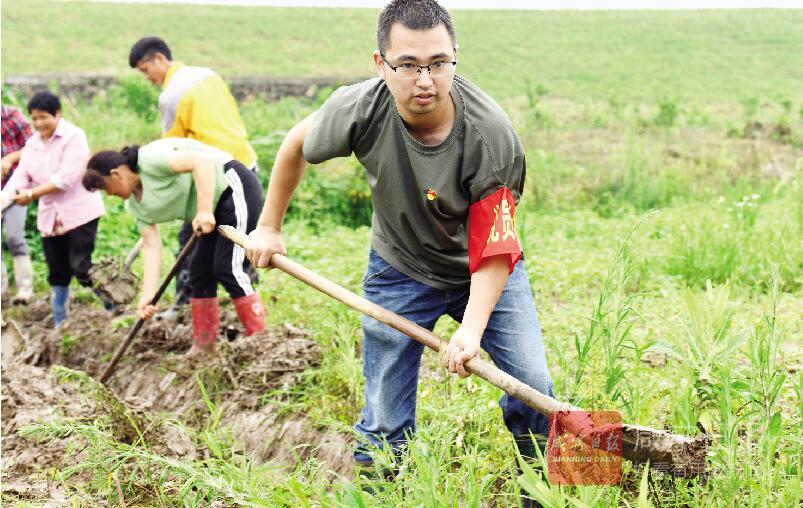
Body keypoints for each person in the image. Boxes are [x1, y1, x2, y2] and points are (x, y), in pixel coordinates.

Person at [242, 0, 554, 500]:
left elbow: (495, 249)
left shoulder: (491, 137)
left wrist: (471, 330)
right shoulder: (360, 108)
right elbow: (296, 144)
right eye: (407, 65)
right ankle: (385, 495)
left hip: (485, 269)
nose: (425, 79)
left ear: (455, 58)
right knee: (385, 418)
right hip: (401, 270)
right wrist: (269, 227)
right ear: (380, 64)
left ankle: (542, 491)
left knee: (534, 389)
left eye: (438, 63)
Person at [83, 137, 266, 355]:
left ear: (115, 174)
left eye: (105, 188)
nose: (110, 195)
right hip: (210, 211)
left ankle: (261, 341)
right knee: (199, 273)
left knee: (229, 267)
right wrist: (148, 296)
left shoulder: (149, 159)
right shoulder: (135, 206)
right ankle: (203, 347)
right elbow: (151, 246)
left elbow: (201, 163)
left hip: (233, 187)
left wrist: (204, 210)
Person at [129, 36, 259, 306]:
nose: (147, 78)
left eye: (145, 70)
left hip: (217, 173)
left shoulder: (170, 97)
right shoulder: (208, 75)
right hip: (244, 161)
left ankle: (182, 305)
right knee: (236, 245)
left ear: (160, 59)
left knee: (190, 244)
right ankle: (234, 291)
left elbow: (172, 148)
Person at [0, 92, 105, 326]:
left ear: (58, 114)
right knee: (57, 271)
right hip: (51, 217)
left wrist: (31, 195)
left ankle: (113, 307)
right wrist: (5, 199)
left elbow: (64, 180)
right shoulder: (32, 144)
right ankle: (61, 322)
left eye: (44, 117)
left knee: (81, 265)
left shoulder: (74, 137)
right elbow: (20, 176)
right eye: (34, 119)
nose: (39, 124)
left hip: (79, 212)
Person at [1, 105, 34, 303]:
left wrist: (8, 159)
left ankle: (25, 288)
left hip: (15, 189)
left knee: (15, 237)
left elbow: (35, 146)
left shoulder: (11, 117)